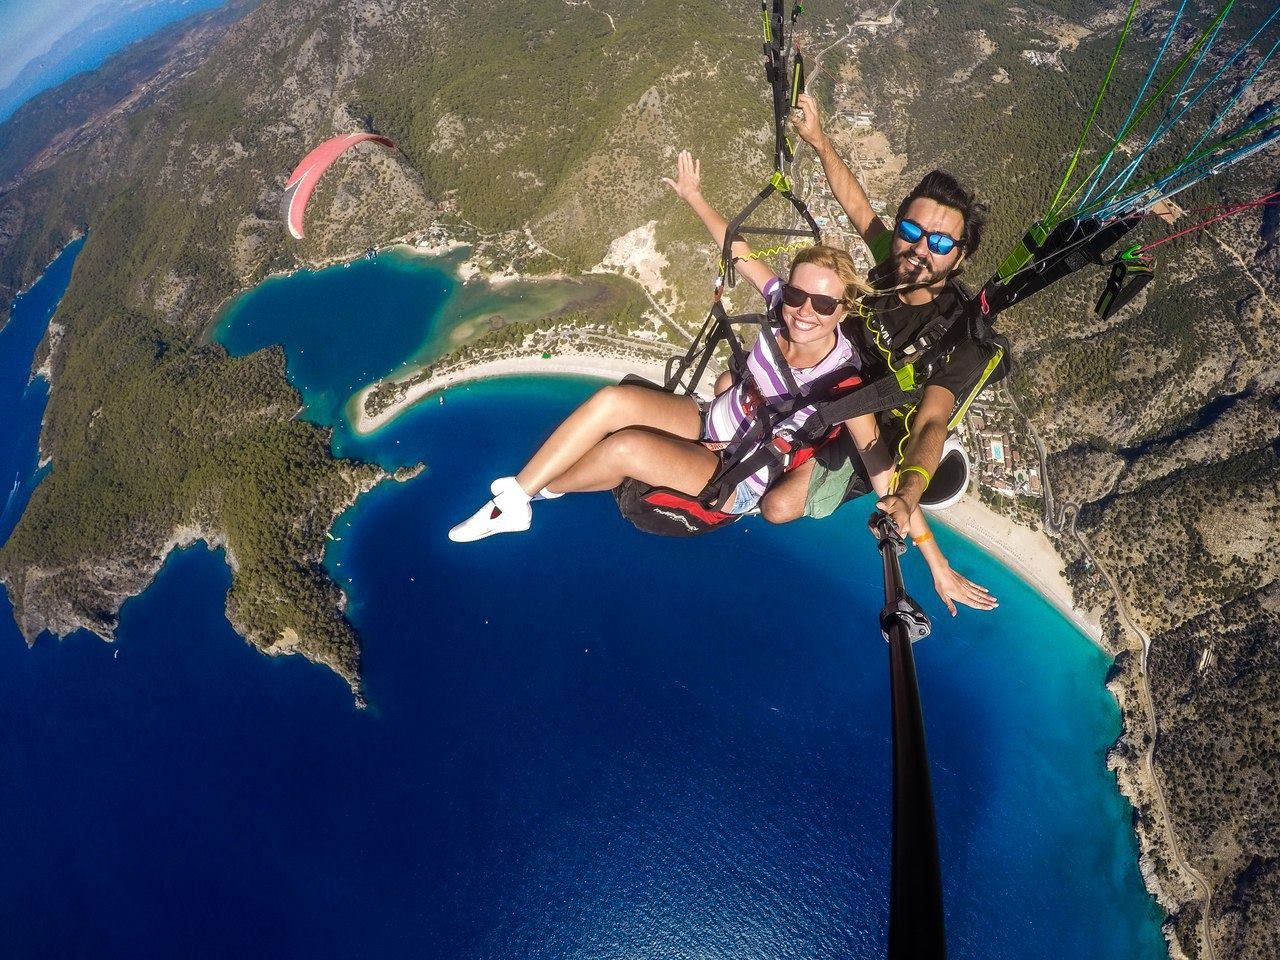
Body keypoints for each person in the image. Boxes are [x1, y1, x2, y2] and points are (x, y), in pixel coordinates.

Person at [449, 151, 995, 615]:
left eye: (824, 304)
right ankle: (520, 496)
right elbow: (742, 254)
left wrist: (933, 559)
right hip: (718, 421)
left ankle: (539, 493)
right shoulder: (784, 305)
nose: (805, 311)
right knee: (615, 401)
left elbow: (879, 461)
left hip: (739, 471)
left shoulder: (847, 379)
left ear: (844, 309)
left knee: (628, 447)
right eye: (799, 296)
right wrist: (693, 197)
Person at [762, 94, 1009, 545]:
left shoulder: (959, 339)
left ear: (960, 259)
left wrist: (908, 495)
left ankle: (935, 470)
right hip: (833, 375)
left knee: (777, 507)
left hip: (874, 423)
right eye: (911, 233)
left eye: (939, 243)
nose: (919, 250)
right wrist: (818, 140)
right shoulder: (890, 267)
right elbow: (857, 205)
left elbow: (931, 422)